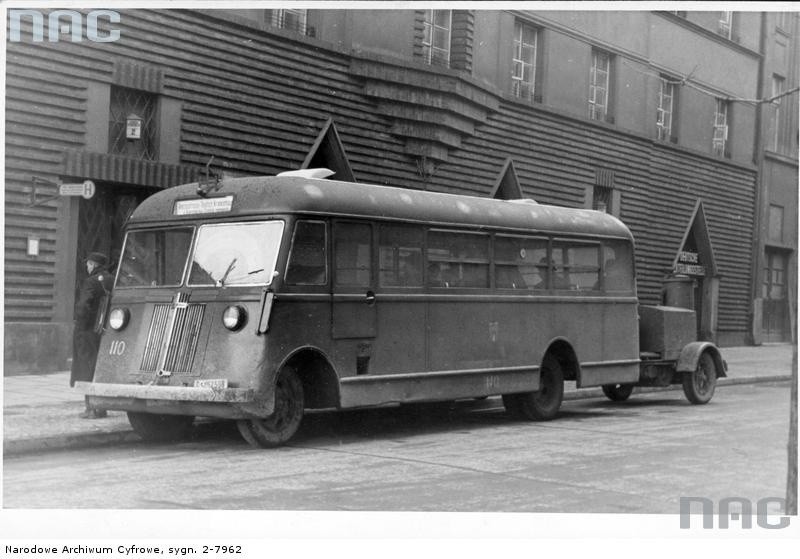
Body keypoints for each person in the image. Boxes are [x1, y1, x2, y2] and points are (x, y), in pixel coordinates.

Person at [70, 252, 114, 419]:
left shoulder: (90, 281)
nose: (87, 267)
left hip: (88, 331)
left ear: (94, 265)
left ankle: (91, 408)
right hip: (104, 331)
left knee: (86, 368)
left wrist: (80, 326)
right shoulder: (111, 279)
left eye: (88, 264)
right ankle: (102, 407)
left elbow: (83, 306)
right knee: (99, 369)